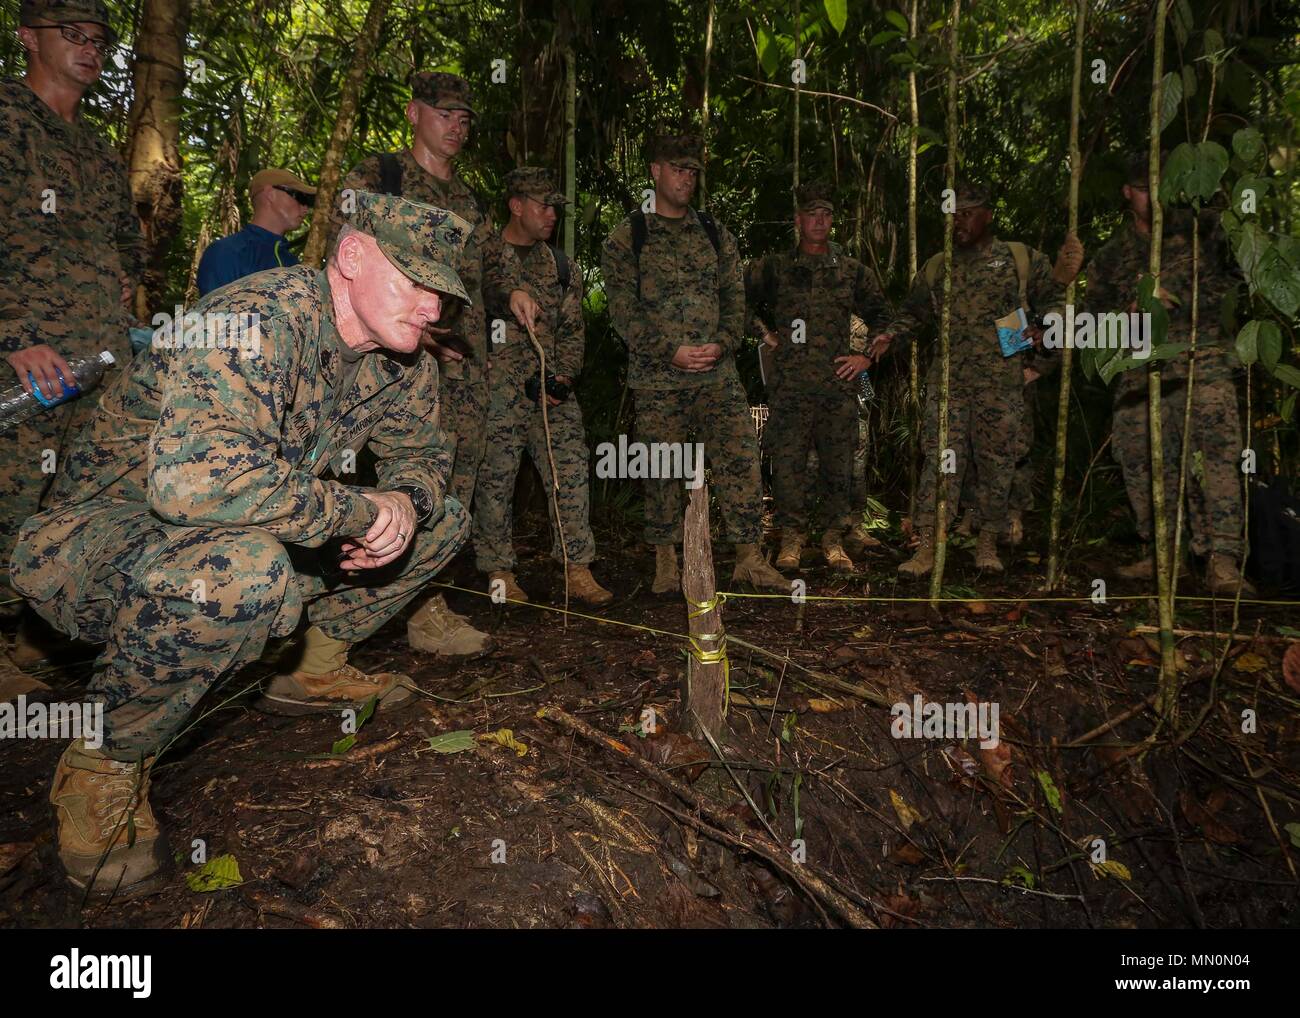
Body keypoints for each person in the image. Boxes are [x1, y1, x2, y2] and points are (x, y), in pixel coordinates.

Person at [11, 192, 472, 898]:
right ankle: (105, 760)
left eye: (441, 291)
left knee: (442, 520)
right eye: (414, 281)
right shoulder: (253, 320)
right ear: (351, 258)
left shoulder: (401, 362)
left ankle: (313, 668)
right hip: (101, 537)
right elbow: (192, 484)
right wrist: (357, 510)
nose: (432, 309)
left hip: (243, 524)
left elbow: (426, 459)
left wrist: (405, 504)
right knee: (242, 573)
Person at [0, 0, 144, 701]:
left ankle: (34, 639)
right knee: (11, 490)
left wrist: (124, 280)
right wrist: (17, 336)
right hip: (27, 356)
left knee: (77, 495)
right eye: (73, 35)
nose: (89, 49)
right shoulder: (5, 120)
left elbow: (128, 242)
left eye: (98, 40)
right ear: (27, 37)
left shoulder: (97, 150)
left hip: (98, 357)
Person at [330, 71, 496, 657]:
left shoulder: (469, 201)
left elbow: (476, 283)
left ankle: (427, 604)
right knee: (370, 475)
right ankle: (339, 615)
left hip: (460, 366)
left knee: (451, 477)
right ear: (413, 113)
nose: (457, 125)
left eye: (465, 117)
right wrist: (412, 333)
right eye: (445, 113)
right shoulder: (379, 178)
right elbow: (344, 269)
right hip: (387, 360)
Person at [601, 133, 786, 595]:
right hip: (658, 377)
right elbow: (623, 310)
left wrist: (723, 344)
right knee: (662, 468)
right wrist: (670, 351)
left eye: (693, 171)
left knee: (741, 455)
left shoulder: (714, 232)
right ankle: (667, 563)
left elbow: (734, 297)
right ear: (655, 171)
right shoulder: (629, 237)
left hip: (717, 375)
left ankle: (749, 557)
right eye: (678, 168)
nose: (687, 178)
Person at [868, 182, 1079, 576]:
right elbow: (912, 315)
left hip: (1002, 383)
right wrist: (890, 337)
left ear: (988, 215)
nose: (957, 222)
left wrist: (1045, 334)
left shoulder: (1019, 258)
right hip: (948, 385)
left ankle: (986, 542)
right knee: (940, 463)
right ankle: (928, 547)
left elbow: (1056, 302)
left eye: (966, 213)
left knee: (997, 464)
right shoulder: (937, 266)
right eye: (952, 215)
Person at [1084, 155, 1252, 594]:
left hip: (1205, 364)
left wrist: (1179, 297)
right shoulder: (1112, 255)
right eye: (1143, 189)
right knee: (1140, 462)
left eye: (1160, 188)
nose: (1153, 198)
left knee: (1215, 462)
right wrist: (1130, 311)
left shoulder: (1206, 230)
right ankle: (1163, 554)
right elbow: (1093, 320)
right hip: (1140, 375)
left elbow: (1242, 282)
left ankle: (1223, 560)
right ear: (1127, 193)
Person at [475, 167, 612, 605]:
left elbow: (573, 330)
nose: (552, 214)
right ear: (516, 206)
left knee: (569, 472)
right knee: (496, 479)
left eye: (555, 206)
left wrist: (564, 377)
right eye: (543, 205)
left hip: (548, 391)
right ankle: (499, 572)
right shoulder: (483, 257)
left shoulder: (559, 266)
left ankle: (577, 567)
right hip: (496, 393)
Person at [744, 180, 886, 573]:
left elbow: (883, 317)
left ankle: (833, 540)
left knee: (838, 466)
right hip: (789, 389)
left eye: (826, 215)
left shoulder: (851, 272)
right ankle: (791, 539)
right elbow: (733, 298)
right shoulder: (775, 268)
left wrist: (866, 357)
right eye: (812, 214)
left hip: (836, 390)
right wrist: (764, 334)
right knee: (788, 466)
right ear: (798, 220)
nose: (820, 221)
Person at [196, 168, 316, 295]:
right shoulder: (227, 252)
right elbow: (215, 312)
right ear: (270, 194)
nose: (305, 209)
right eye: (300, 198)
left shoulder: (292, 263)